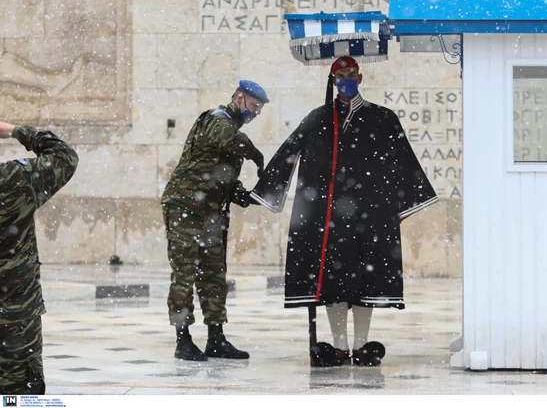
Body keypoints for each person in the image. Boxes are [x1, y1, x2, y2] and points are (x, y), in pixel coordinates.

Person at [251, 56, 438, 367]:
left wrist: (397, 204)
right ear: (333, 80)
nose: (347, 80)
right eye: (341, 76)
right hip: (330, 218)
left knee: (367, 282)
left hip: (370, 215)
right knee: (333, 281)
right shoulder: (318, 118)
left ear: (360, 78)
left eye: (352, 74)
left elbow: (403, 161)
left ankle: (362, 345)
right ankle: (339, 346)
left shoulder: (383, 118)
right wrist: (266, 191)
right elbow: (290, 151)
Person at [161, 80, 268, 361]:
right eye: (254, 105)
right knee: (184, 273)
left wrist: (243, 194)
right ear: (239, 98)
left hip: (210, 212)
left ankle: (216, 339)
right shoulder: (217, 119)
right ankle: (183, 341)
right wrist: (257, 155)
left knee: (213, 275)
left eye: (260, 108)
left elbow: (219, 173)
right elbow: (229, 140)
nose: (256, 112)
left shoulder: (231, 131)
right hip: (184, 206)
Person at [0, 121, 79, 394]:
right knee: (17, 395)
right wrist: (16, 130)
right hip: (15, 321)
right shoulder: (13, 179)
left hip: (15, 319)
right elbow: (64, 157)